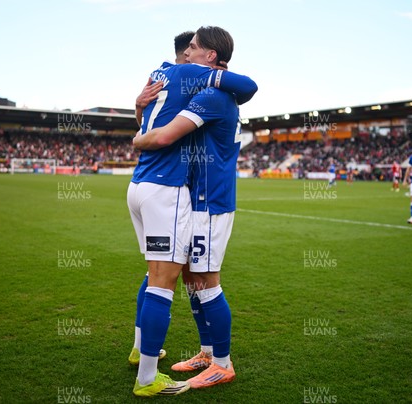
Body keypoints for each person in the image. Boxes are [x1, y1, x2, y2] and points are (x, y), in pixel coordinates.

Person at [127, 29, 257, 397]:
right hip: (195, 198)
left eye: (195, 47)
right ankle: (207, 352)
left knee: (206, 281)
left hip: (210, 203)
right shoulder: (207, 91)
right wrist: (140, 107)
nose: (187, 52)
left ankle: (222, 364)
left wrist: (138, 136)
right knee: (188, 278)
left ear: (212, 57)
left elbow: (164, 135)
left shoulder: (214, 96)